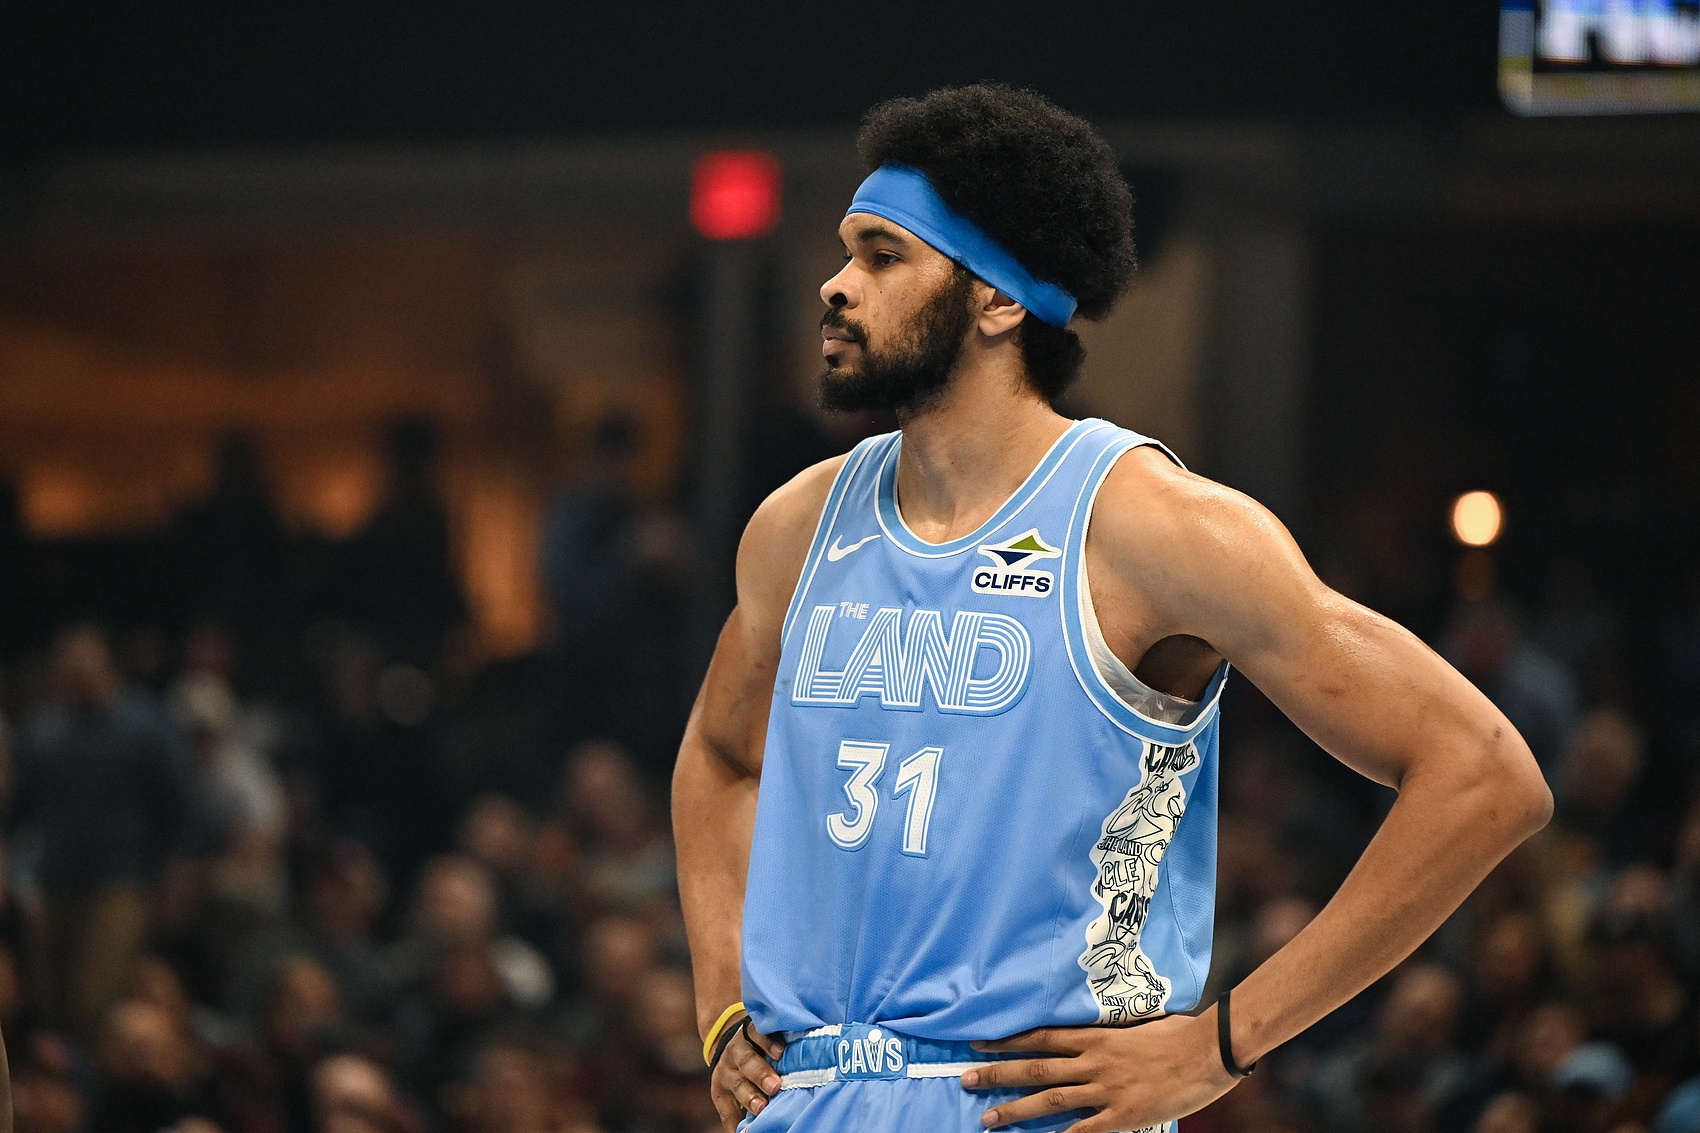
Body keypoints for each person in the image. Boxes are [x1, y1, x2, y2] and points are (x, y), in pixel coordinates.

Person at [671, 84, 1552, 1133]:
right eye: (844, 253)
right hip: (812, 1097)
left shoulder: (1154, 527)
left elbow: (1482, 773)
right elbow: (718, 754)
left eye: (881, 255)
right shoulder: (796, 526)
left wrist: (1221, 1044)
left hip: (1034, 1101)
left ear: (998, 301)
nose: (835, 283)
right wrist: (721, 1003)